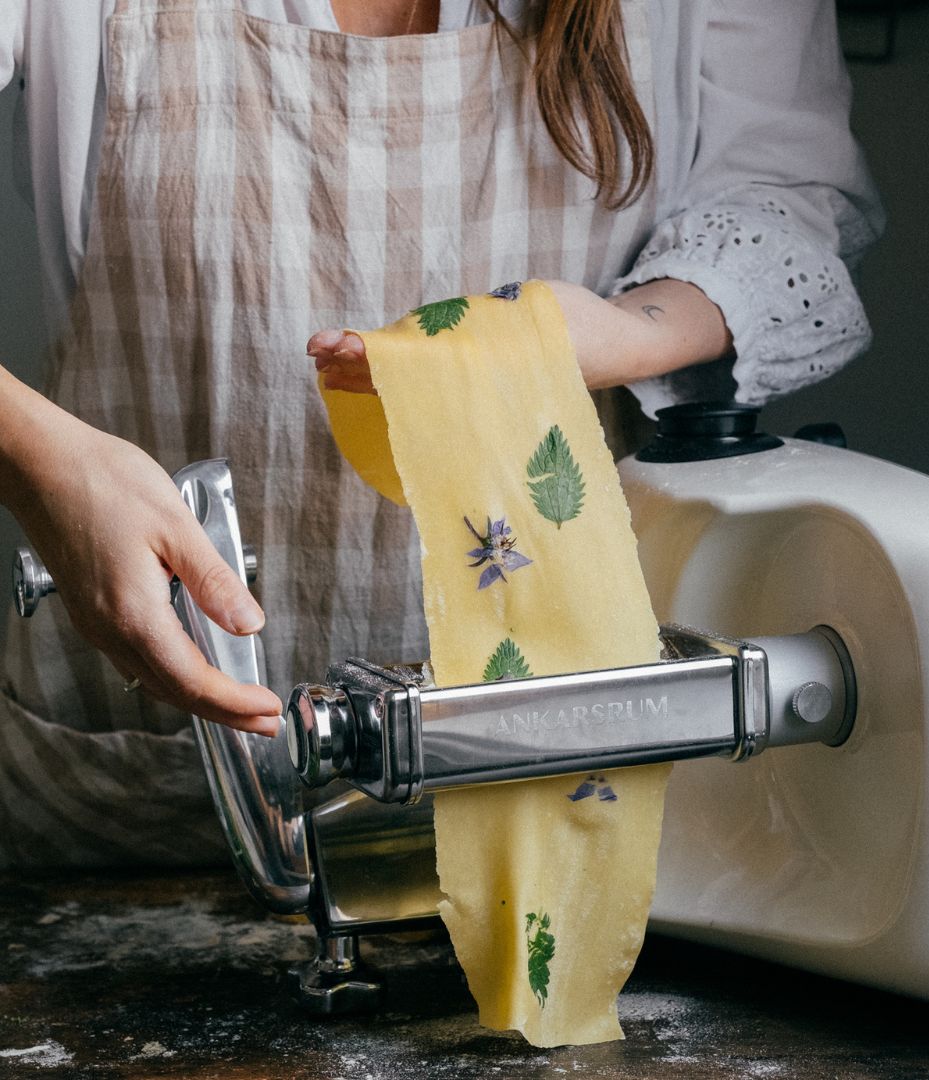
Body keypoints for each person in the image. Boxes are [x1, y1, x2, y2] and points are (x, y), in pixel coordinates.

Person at [0, 0, 883, 866]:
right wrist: (43, 462)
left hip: (567, 767)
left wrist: (624, 334)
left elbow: (782, 192)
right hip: (140, 797)